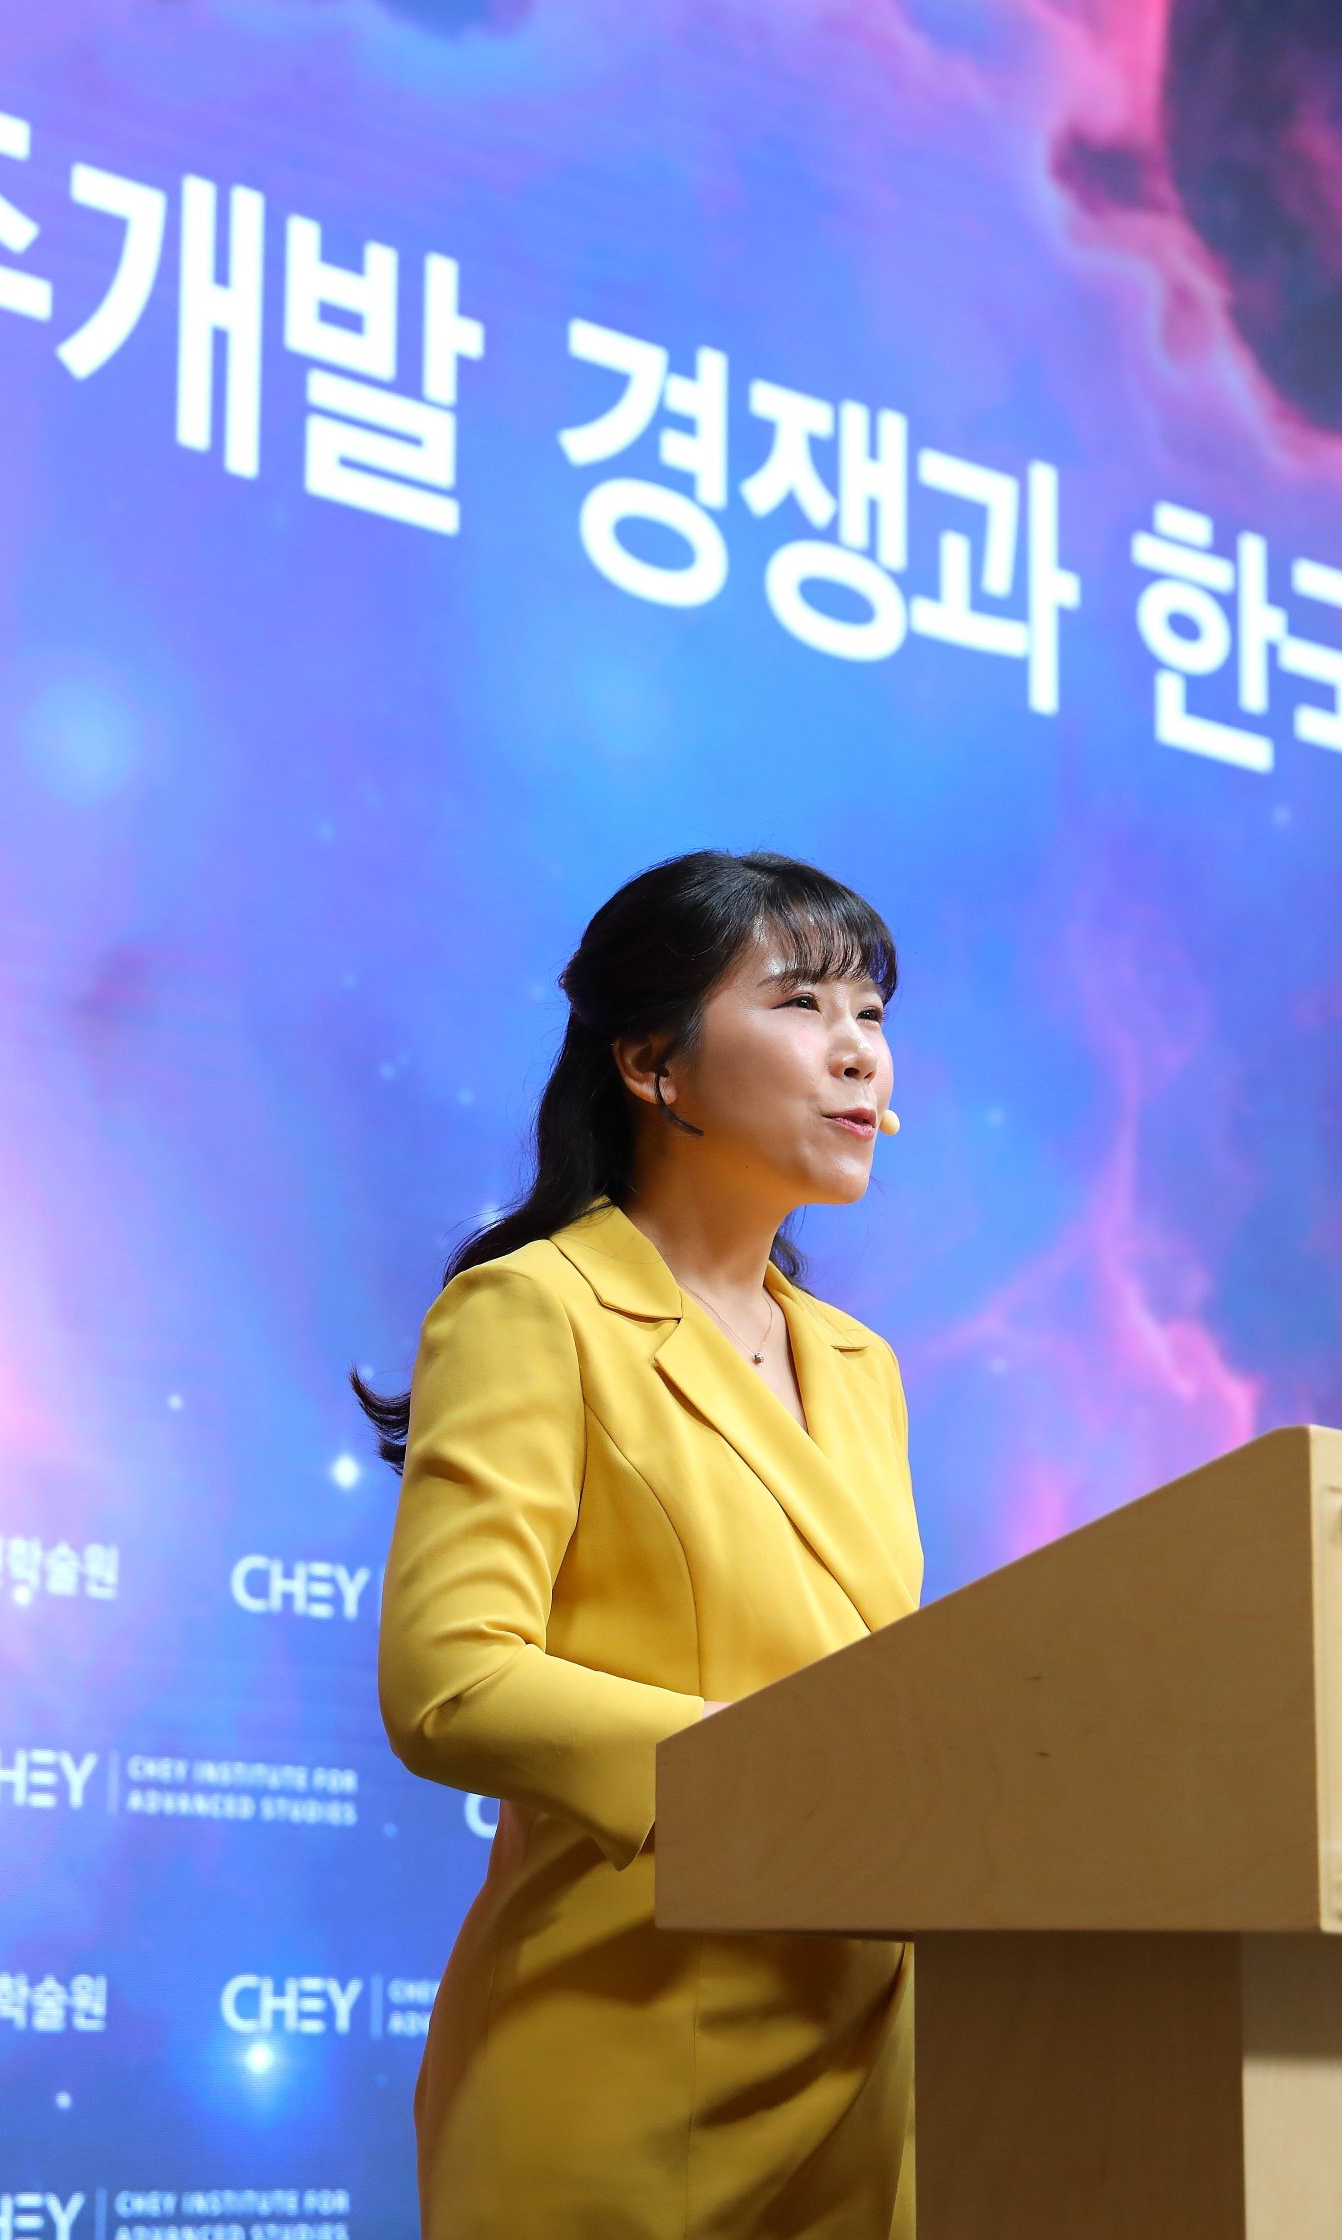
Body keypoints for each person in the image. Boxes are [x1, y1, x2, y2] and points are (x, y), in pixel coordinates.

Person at [362, 850, 924, 2240]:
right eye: (801, 1004)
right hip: (623, 2055)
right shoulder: (534, 1309)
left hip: (869, 2061)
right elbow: (452, 1680)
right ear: (651, 1064)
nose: (859, 1052)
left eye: (872, 1012)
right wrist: (777, 1784)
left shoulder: (863, 1369)